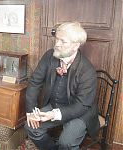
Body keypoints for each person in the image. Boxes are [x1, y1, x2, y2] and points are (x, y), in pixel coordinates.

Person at [24, 22, 100, 150]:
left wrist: (53, 114)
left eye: (62, 41)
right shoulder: (49, 56)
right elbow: (34, 82)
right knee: (31, 127)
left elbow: (82, 105)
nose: (57, 44)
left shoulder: (87, 70)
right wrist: (30, 111)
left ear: (75, 45)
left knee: (67, 142)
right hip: (55, 105)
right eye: (57, 39)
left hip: (79, 112)